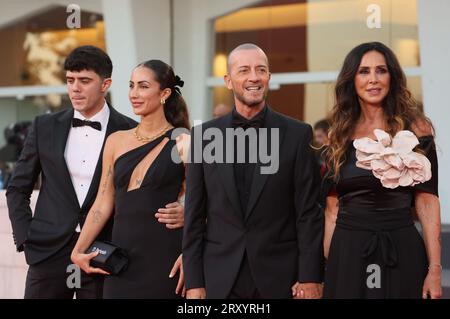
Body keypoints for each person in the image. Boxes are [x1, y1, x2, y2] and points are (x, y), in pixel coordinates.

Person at [6, 46, 183, 299]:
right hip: (47, 253)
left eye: (84, 81)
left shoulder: (131, 132)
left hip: (105, 254)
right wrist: (26, 238)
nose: (75, 88)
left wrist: (184, 208)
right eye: (70, 81)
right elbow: (17, 188)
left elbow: (167, 185)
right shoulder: (44, 126)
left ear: (105, 84)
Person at [183, 43, 324, 299]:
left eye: (261, 70)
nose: (254, 77)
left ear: (269, 77)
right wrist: (194, 283)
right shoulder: (203, 136)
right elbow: (194, 215)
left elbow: (308, 214)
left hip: (281, 276)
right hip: (219, 278)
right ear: (228, 80)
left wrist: (310, 276)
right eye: (244, 70)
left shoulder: (297, 134)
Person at [322, 42, 442, 299]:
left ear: (393, 77)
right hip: (348, 250)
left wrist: (434, 270)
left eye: (381, 70)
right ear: (351, 79)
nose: (373, 79)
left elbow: (427, 202)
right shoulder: (338, 137)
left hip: (401, 247)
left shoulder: (417, 130)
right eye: (364, 71)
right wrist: (328, 269)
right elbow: (332, 209)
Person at [71, 59, 190, 299]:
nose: (134, 94)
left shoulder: (183, 140)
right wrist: (78, 250)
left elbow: (208, 201)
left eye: (143, 86)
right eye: (131, 85)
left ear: (164, 93)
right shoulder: (116, 140)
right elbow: (103, 204)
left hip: (165, 259)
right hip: (120, 260)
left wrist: (187, 219)